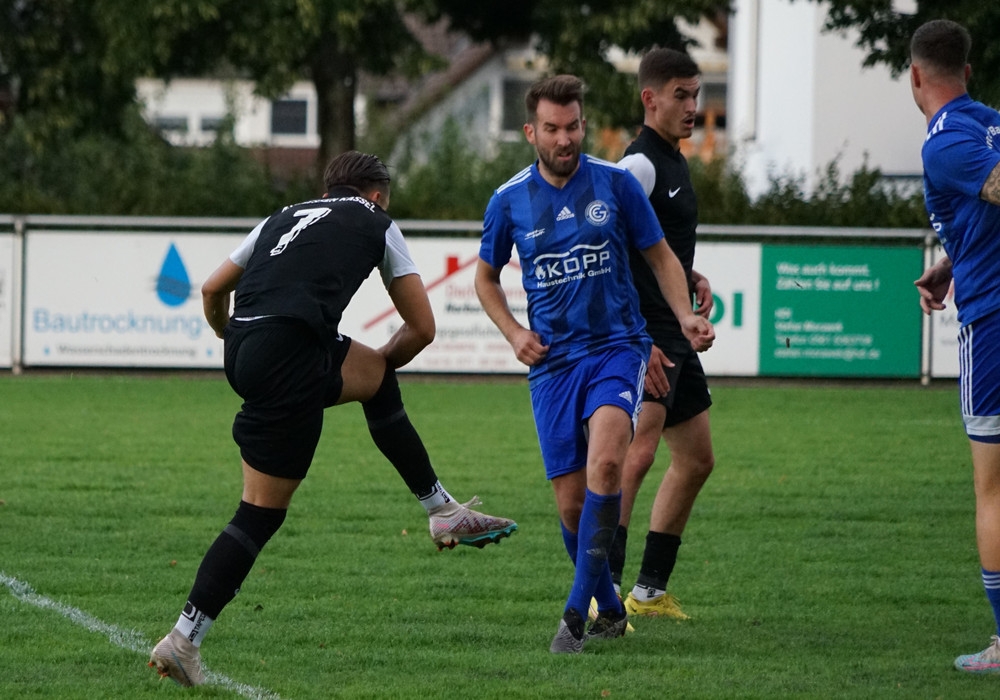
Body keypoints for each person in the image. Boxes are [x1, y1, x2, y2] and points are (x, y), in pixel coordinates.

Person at [149, 151, 517, 686]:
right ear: (377, 195)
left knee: (373, 377)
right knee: (258, 514)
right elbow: (422, 329)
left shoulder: (282, 216)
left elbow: (211, 289)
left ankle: (442, 508)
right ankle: (183, 640)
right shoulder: (377, 221)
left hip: (247, 346)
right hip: (292, 351)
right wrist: (384, 361)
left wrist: (234, 337)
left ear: (326, 191)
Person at [475, 74, 715, 653]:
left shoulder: (616, 183)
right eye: (552, 129)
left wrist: (683, 316)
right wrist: (513, 333)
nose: (564, 139)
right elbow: (485, 277)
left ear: (584, 124)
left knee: (607, 464)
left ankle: (572, 618)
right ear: (531, 132)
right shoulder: (509, 200)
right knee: (571, 504)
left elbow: (660, 257)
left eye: (573, 126)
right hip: (554, 365)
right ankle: (608, 606)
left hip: (616, 349)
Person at [605, 48, 716, 621]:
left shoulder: (673, 160)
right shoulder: (639, 165)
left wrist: (690, 276)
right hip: (646, 336)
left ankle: (648, 593)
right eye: (681, 95)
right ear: (650, 99)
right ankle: (602, 596)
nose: (693, 106)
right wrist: (636, 337)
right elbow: (606, 250)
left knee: (695, 459)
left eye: (696, 94)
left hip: (673, 334)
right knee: (635, 457)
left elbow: (653, 247)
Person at [909, 19, 1000, 674]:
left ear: (915, 75)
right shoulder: (991, 122)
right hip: (981, 288)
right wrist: (952, 261)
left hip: (993, 323)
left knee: (993, 490)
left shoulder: (944, 142)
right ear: (966, 72)